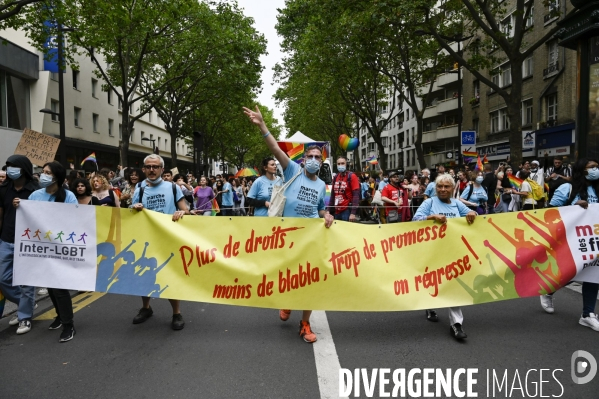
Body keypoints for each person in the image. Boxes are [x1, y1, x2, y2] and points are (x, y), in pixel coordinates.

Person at [244, 104, 333, 343]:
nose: (313, 160)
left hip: (310, 239)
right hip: (287, 237)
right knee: (288, 276)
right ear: (303, 160)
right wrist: (262, 125)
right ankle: (286, 301)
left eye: (317, 157)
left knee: (310, 280)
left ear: (322, 161)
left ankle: (305, 324)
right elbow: (273, 146)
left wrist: (326, 215)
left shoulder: (320, 186)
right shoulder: (292, 169)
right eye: (310, 157)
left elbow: (320, 208)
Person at [412, 174, 477, 340]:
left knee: (454, 285)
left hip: (453, 252)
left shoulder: (456, 204)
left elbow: (470, 213)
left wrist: (471, 213)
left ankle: (456, 324)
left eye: (446, 186)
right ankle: (430, 305)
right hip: (432, 252)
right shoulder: (429, 203)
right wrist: (432, 217)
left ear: (453, 188)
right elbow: (415, 220)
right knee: (433, 281)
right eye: (439, 186)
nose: (442, 189)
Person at [130, 154, 189, 330]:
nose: (152, 170)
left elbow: (184, 209)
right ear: (144, 169)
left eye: (155, 167)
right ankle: (146, 308)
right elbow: (132, 213)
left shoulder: (172, 187)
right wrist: (134, 208)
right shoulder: (139, 188)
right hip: (146, 239)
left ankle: (176, 313)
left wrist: (182, 213)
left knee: (169, 276)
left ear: (162, 169)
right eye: (148, 167)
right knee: (143, 273)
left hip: (167, 239)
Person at [544, 158, 599, 331]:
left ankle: (587, 314)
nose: (596, 170)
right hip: (571, 239)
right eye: (592, 167)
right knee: (573, 272)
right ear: (582, 170)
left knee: (593, 272)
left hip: (593, 239)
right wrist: (574, 208)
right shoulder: (567, 188)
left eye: (597, 167)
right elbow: (549, 214)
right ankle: (549, 290)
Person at [25, 161, 78, 342]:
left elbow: (74, 221)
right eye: (43, 172)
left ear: (57, 177)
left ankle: (68, 325)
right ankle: (59, 316)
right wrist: (19, 206)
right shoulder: (35, 195)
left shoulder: (68, 196)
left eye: (47, 172)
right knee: (51, 286)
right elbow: (28, 218)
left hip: (60, 248)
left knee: (60, 287)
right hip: (41, 248)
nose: (43, 175)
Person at [0, 155, 39, 335]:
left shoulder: (36, 190)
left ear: (24, 169)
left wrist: (27, 205)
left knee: (26, 282)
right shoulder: (4, 189)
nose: (9, 170)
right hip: (6, 239)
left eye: (13, 166)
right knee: (3, 278)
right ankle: (27, 303)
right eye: (8, 166)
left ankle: (24, 317)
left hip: (28, 241)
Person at [327, 156, 360, 222]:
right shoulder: (336, 177)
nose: (340, 165)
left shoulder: (352, 176)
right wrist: (328, 210)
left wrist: (353, 213)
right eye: (338, 164)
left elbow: (356, 196)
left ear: (346, 164)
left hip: (347, 211)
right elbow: (333, 195)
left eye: (342, 163)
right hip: (336, 211)